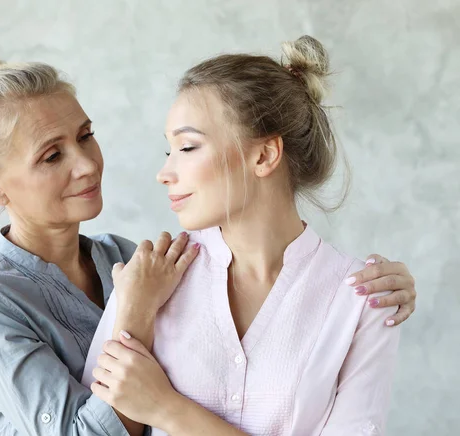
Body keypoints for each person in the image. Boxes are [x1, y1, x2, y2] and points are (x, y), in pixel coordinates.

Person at [0, 51, 415, 436]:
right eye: (51, 156)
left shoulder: (137, 261)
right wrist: (132, 315)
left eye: (85, 136)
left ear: (265, 156)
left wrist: (380, 291)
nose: (87, 164)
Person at [84, 36, 407, 435]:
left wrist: (167, 409)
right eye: (169, 151)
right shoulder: (148, 281)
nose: (165, 172)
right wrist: (135, 313)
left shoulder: (362, 301)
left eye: (187, 147)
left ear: (264, 155)